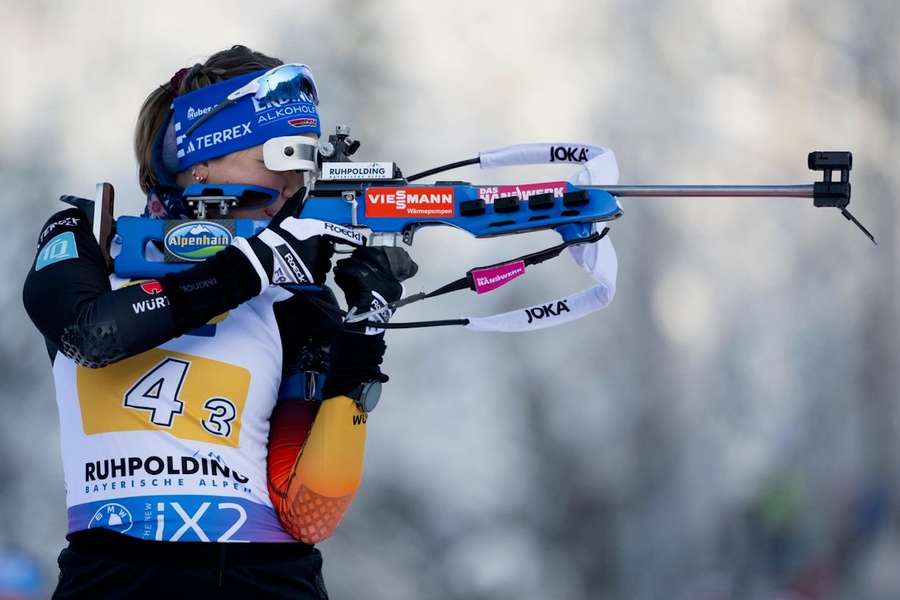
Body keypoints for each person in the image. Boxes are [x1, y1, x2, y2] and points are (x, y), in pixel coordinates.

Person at [22, 45, 416, 599]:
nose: (292, 181)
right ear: (200, 159)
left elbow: (310, 509)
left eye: (304, 162)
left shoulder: (294, 288)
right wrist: (253, 266)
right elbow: (93, 335)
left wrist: (364, 331)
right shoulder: (91, 238)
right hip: (114, 575)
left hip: (266, 578)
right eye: (276, 156)